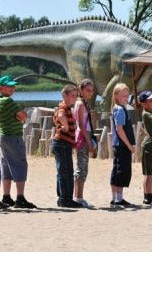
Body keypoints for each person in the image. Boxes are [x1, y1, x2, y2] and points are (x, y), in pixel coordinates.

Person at [0, 75, 36, 209]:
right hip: (13, 137)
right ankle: (20, 197)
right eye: (9, 86)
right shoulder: (8, 101)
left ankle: (6, 196)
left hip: (4, 136)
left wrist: (19, 117)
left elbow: (20, 116)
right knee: (20, 165)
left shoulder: (0, 101)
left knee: (7, 165)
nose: (12, 88)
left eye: (13, 86)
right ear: (0, 88)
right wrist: (21, 118)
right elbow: (23, 116)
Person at [52, 84, 82, 208]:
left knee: (65, 171)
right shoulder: (63, 108)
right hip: (61, 143)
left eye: (76, 96)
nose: (74, 98)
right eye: (72, 96)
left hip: (65, 143)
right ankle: (65, 199)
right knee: (65, 171)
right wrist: (64, 125)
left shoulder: (67, 108)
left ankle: (64, 198)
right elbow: (60, 115)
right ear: (65, 95)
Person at [110, 83, 136, 207]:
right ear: (116, 96)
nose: (126, 97)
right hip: (121, 145)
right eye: (123, 95)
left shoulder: (119, 108)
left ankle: (116, 197)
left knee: (118, 170)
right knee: (121, 171)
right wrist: (129, 145)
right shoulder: (119, 109)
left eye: (127, 95)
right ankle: (117, 199)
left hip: (119, 144)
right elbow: (120, 129)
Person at [73, 78, 97, 207]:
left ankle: (78, 196)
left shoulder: (83, 103)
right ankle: (78, 197)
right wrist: (88, 142)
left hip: (83, 137)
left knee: (82, 168)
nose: (90, 93)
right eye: (87, 90)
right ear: (81, 90)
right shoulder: (80, 104)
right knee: (81, 168)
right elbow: (81, 125)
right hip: (82, 138)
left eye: (92, 91)